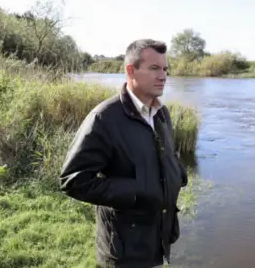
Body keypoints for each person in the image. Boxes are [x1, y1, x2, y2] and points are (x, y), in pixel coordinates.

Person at [59, 39, 188, 268]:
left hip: (158, 237)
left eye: (165, 69)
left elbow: (164, 154)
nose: (163, 76)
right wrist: (137, 190)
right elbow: (73, 180)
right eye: (154, 68)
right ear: (131, 70)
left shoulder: (162, 113)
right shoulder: (104, 118)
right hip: (125, 248)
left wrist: (177, 173)